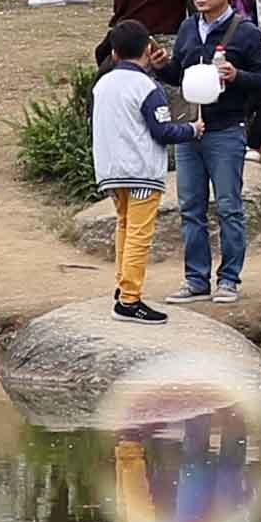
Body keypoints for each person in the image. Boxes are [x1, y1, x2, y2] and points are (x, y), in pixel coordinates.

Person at [169, 0, 261, 304]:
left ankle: (229, 278)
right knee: (190, 207)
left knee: (228, 206)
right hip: (188, 130)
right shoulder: (186, 29)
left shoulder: (246, 32)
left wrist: (236, 76)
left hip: (225, 130)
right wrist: (159, 66)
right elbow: (179, 74)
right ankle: (196, 279)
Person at [86, 19, 186, 320]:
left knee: (124, 226)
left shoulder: (102, 84)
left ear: (114, 53)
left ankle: (122, 286)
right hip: (141, 171)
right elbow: (163, 131)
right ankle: (129, 300)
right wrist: (192, 129)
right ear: (148, 49)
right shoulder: (147, 86)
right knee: (139, 234)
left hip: (110, 170)